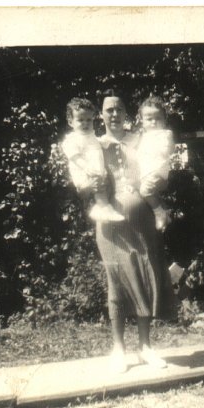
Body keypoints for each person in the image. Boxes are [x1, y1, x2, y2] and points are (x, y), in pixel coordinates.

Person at [74, 89, 175, 373]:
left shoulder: (140, 141)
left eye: (119, 109)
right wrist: (88, 186)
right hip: (110, 224)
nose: (114, 114)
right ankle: (118, 349)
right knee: (116, 281)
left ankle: (145, 347)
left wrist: (157, 198)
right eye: (109, 110)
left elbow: (159, 175)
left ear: (126, 114)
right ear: (100, 115)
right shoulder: (92, 144)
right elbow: (81, 187)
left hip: (141, 220)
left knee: (145, 276)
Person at [61, 97, 124, 222]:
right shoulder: (72, 139)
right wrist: (87, 168)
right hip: (85, 172)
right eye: (80, 120)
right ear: (70, 122)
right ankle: (105, 209)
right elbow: (74, 157)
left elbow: (97, 144)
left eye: (89, 120)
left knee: (104, 187)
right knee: (99, 187)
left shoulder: (90, 136)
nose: (85, 123)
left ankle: (100, 209)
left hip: (95, 171)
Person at [137, 95, 174, 230]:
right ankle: (165, 213)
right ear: (142, 121)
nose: (153, 122)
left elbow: (167, 149)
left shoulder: (164, 134)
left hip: (156, 171)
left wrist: (167, 145)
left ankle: (159, 214)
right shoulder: (144, 136)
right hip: (148, 172)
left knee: (145, 192)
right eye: (149, 119)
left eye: (158, 118)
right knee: (152, 194)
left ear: (164, 120)